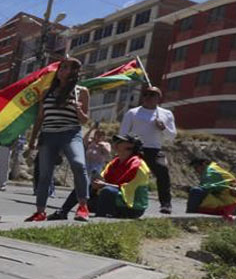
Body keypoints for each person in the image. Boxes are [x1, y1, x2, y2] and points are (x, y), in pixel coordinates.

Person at [25, 57, 91, 222]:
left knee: (79, 164)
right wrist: (33, 140)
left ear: (76, 73)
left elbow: (84, 120)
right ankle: (40, 211)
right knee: (45, 175)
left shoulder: (81, 91)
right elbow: (40, 117)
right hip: (48, 135)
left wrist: (79, 111)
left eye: (71, 68)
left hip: (71, 133)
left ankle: (83, 206)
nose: (66, 70)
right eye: (64, 67)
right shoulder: (47, 92)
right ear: (58, 71)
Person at [50, 134, 150, 219]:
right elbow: (102, 179)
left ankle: (99, 219)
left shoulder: (139, 166)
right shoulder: (115, 162)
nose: (116, 142)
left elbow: (128, 189)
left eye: (121, 141)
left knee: (107, 191)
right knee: (83, 185)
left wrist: (103, 185)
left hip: (132, 207)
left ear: (130, 146)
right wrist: (96, 184)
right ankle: (63, 212)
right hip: (114, 199)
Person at [120, 86, 176, 214]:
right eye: (146, 95)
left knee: (163, 171)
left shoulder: (166, 114)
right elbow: (123, 133)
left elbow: (172, 136)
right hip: (135, 148)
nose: (148, 97)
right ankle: (122, 199)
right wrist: (124, 147)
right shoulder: (132, 113)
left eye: (152, 95)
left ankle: (166, 204)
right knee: (127, 173)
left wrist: (163, 128)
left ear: (158, 98)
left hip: (155, 149)